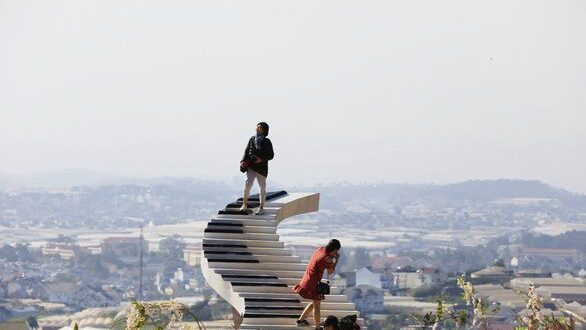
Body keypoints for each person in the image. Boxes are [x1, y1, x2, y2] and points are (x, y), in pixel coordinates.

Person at [293, 239, 341, 329]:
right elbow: (330, 272)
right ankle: (318, 328)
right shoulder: (327, 258)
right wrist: (336, 260)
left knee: (314, 302)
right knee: (317, 305)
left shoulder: (320, 249)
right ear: (334, 250)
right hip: (313, 282)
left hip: (308, 278)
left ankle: (301, 320)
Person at [239, 122, 274, 215]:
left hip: (262, 168)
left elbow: (271, 155)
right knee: (248, 184)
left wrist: (261, 159)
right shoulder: (252, 139)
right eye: (257, 128)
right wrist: (242, 161)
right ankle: (244, 205)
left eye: (259, 128)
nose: (257, 129)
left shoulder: (267, 141)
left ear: (264, 130)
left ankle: (261, 207)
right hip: (251, 165)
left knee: (262, 187)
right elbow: (246, 151)